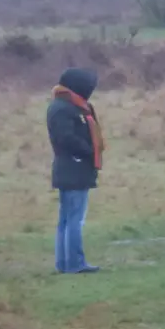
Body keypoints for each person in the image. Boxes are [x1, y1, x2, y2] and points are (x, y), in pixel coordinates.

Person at [47, 67, 105, 274]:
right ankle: (74, 263)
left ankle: (64, 263)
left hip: (71, 168)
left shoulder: (67, 106)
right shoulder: (65, 109)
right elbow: (66, 138)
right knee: (74, 219)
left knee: (66, 219)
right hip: (74, 168)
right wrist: (89, 151)